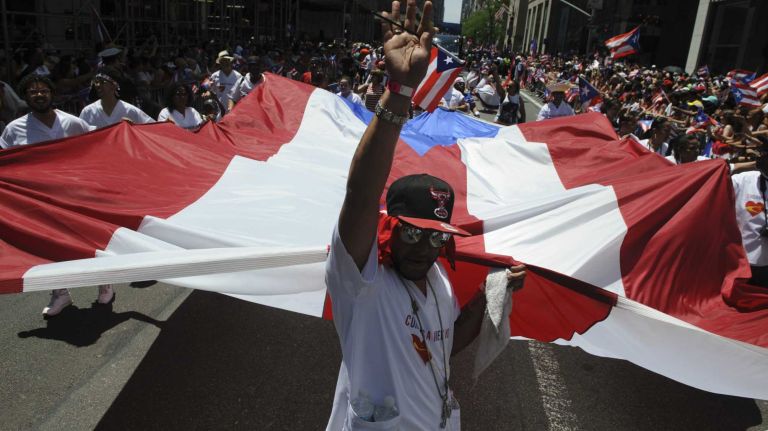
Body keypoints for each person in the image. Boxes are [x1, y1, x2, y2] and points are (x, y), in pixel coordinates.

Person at [325, 2, 525, 429]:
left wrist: (494, 292)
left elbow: (440, 345)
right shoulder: (362, 280)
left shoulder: (439, 282)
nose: (424, 248)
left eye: (436, 237)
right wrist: (399, 92)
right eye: (413, 233)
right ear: (389, 229)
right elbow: (360, 195)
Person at [0, 74, 111, 316]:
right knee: (52, 247)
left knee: (89, 243)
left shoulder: (73, 123)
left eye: (43, 91)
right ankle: (60, 293)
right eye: (32, 91)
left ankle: (105, 283)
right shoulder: (14, 129)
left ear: (52, 94)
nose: (39, 95)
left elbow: (96, 145)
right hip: (39, 200)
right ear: (26, 97)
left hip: (75, 196)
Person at [731, 144, 768, 287]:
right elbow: (716, 174)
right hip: (740, 263)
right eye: (760, 155)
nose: (760, 158)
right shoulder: (741, 180)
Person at [79, 67, 154, 129]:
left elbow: (152, 128)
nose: (98, 85)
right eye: (96, 82)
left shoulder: (130, 111)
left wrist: (134, 128)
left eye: (103, 82)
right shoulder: (88, 112)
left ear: (114, 85)